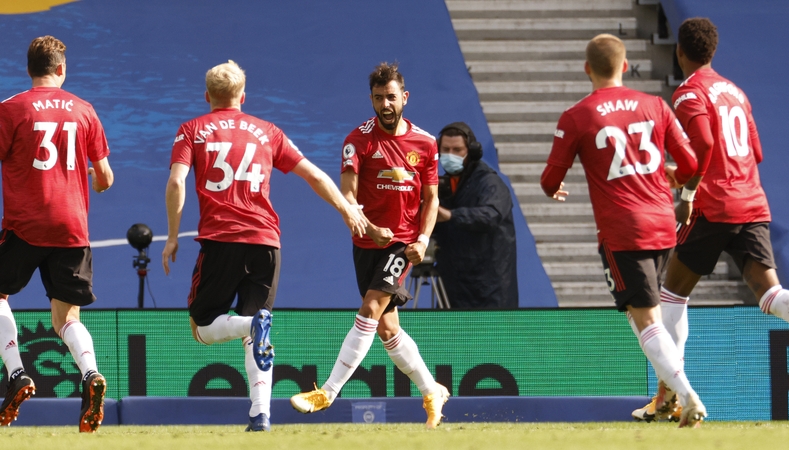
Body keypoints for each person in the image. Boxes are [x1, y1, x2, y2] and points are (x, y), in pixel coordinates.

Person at [162, 60, 366, 432]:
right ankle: (260, 415)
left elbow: (177, 183)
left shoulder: (193, 129)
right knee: (253, 333)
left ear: (207, 96)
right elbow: (314, 175)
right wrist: (346, 209)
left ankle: (253, 328)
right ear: (243, 96)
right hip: (266, 243)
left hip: (222, 240)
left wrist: (173, 235)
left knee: (202, 327)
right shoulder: (267, 131)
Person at [631, 17, 789, 422]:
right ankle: (667, 397)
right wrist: (688, 170)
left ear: (679, 51)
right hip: (750, 201)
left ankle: (668, 397)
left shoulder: (689, 93)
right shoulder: (734, 91)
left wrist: (688, 191)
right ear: (713, 50)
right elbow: (754, 152)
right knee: (771, 295)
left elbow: (706, 142)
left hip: (713, 205)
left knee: (670, 295)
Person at [540, 34, 706, 427]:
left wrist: (554, 189)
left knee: (645, 317)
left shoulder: (577, 115)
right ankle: (667, 396)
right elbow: (690, 161)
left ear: (587, 70)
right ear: (626, 65)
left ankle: (687, 396)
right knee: (647, 312)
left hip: (622, 229)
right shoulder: (654, 105)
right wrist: (675, 177)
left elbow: (549, 179)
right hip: (664, 222)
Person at [289, 62, 451, 429]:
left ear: (404, 98)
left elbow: (431, 200)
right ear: (371, 100)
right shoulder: (357, 140)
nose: (385, 105)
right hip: (366, 241)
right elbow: (347, 191)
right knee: (387, 329)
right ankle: (432, 390)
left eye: (391, 97)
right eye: (379, 98)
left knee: (370, 307)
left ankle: (328, 392)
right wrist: (363, 222)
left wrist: (422, 239)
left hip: (402, 243)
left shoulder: (425, 144)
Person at [0, 36, 113, 433]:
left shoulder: (11, 109)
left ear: (30, 69)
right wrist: (95, 182)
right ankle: (90, 374)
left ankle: (16, 373)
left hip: (25, 224)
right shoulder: (84, 110)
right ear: (62, 69)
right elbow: (105, 177)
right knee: (66, 316)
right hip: (71, 227)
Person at [433, 122, 518, 309]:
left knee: (490, 337)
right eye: (445, 149)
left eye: (457, 150)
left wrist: (450, 215)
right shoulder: (442, 185)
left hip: (489, 287)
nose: (450, 155)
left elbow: (491, 215)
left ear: (471, 151)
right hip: (453, 283)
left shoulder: (490, 182)